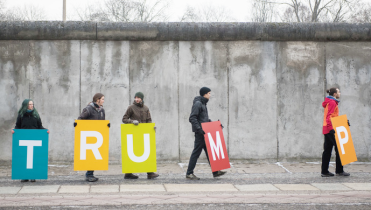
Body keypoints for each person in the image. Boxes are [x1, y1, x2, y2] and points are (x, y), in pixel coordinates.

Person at [186, 87, 226, 180]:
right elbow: (192, 118)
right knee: (196, 153)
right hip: (200, 134)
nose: (210, 95)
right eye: (209, 93)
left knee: (209, 152)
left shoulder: (203, 104)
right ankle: (189, 173)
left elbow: (204, 119)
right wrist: (199, 129)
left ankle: (215, 172)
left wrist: (215, 125)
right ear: (204, 94)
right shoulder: (198, 104)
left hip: (204, 132)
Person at [122, 92, 159, 179]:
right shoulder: (131, 108)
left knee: (147, 152)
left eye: (138, 98)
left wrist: (152, 127)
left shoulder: (146, 108)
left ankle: (150, 173)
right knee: (132, 152)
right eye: (136, 98)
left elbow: (149, 120)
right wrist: (132, 122)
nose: (137, 99)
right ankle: (128, 173)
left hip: (144, 134)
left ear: (142, 99)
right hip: (134, 133)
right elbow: (124, 119)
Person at [12, 99, 50, 183]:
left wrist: (45, 130)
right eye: (30, 104)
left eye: (32, 104)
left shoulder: (36, 115)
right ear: (26, 105)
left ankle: (33, 175)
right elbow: (18, 126)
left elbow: (40, 126)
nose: (32, 106)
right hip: (24, 139)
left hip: (34, 139)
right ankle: (24, 176)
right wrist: (14, 131)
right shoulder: (21, 115)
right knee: (24, 158)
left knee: (34, 159)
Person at [77, 93, 107, 182]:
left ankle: (91, 174)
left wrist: (106, 126)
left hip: (97, 137)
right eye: (102, 99)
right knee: (90, 156)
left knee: (94, 156)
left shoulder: (102, 110)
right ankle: (89, 174)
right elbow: (80, 119)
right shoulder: (88, 109)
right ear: (97, 100)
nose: (103, 101)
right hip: (89, 136)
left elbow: (103, 122)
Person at [321, 87, 350, 177]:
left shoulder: (329, 102)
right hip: (331, 129)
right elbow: (329, 117)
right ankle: (339, 171)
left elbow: (333, 116)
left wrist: (344, 122)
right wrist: (331, 129)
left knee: (327, 150)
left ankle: (324, 171)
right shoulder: (333, 103)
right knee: (339, 149)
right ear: (334, 94)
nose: (339, 93)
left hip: (327, 128)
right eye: (338, 92)